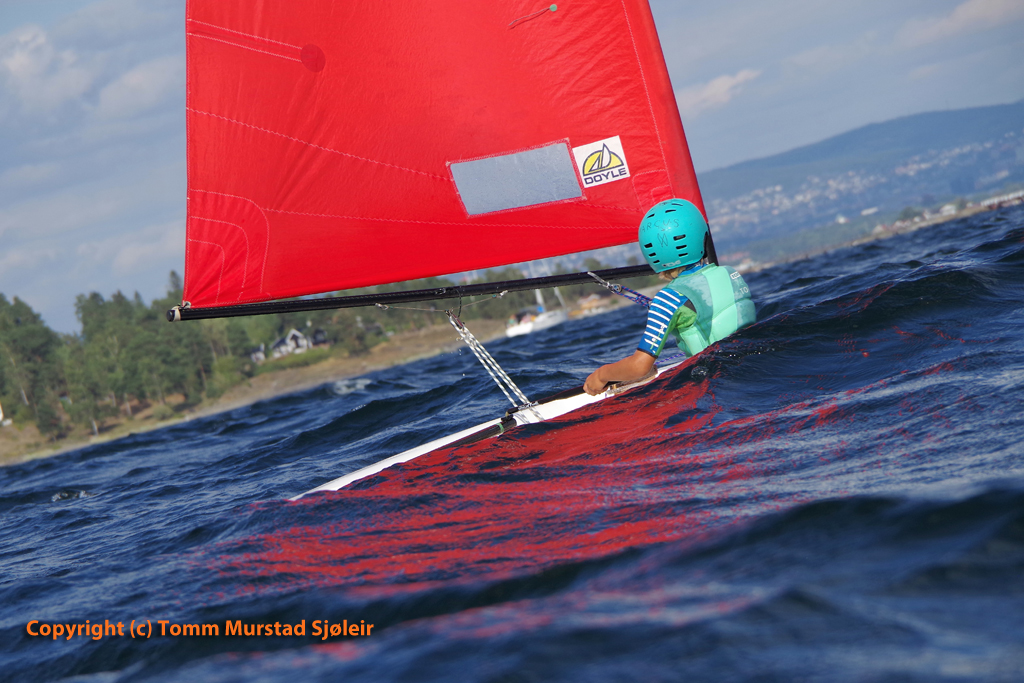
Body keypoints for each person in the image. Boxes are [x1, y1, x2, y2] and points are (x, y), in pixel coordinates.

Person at [584, 198, 756, 395]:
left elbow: (640, 366)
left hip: (718, 383)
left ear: (651, 253)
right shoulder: (729, 273)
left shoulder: (668, 299)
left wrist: (600, 376)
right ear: (703, 238)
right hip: (754, 364)